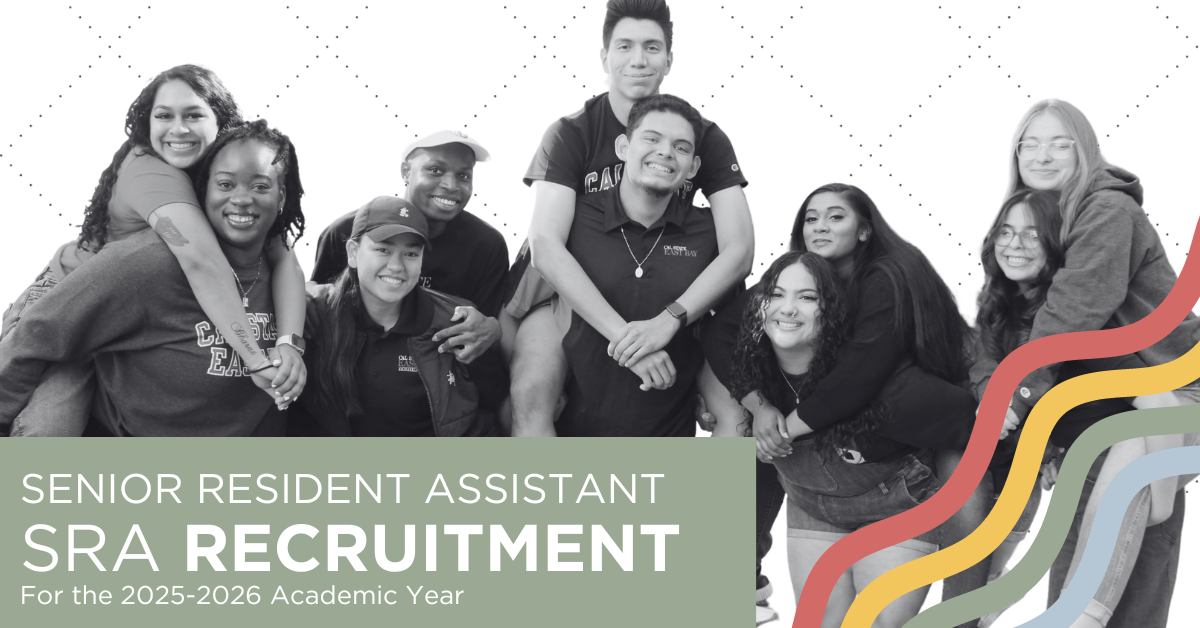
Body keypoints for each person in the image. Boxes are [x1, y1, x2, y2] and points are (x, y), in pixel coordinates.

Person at [701, 183, 988, 626]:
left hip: (944, 409)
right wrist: (757, 407)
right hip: (834, 470)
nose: (819, 226)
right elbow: (722, 334)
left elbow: (862, 373)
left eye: (836, 217)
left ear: (864, 231)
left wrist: (781, 430)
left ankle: (964, 619)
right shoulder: (804, 278)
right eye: (811, 218)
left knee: (967, 517)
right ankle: (739, 576)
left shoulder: (888, 275)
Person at [971, 99, 1200, 628]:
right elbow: (997, 329)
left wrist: (1018, 395)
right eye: (1029, 144)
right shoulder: (1044, 222)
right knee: (1089, 532)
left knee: (1140, 510)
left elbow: (1071, 315)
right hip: (1113, 403)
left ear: (1085, 150)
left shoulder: (1106, 212)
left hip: (1172, 389)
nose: (1042, 155)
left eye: (1059, 143)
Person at [1, 65, 307, 436]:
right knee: (48, 429)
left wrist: (291, 342)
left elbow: (283, 256)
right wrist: (256, 359)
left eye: (193, 115)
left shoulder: (225, 171)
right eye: (164, 116)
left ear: (221, 121)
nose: (178, 129)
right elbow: (200, 261)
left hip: (120, 306)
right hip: (67, 293)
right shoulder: (152, 173)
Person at [506, 0, 752, 437]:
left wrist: (670, 320)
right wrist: (627, 340)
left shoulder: (703, 137)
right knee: (524, 395)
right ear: (604, 57)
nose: (638, 60)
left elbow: (738, 251)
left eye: (652, 47)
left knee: (736, 416)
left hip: (669, 287)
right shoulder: (572, 131)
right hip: (567, 293)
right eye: (624, 46)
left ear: (669, 60)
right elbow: (545, 244)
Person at [552, 94, 719, 437]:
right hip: (571, 440)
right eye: (651, 139)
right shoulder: (572, 220)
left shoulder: (710, 233)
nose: (665, 152)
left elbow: (726, 332)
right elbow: (524, 306)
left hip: (667, 445)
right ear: (623, 147)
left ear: (694, 167)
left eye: (681, 147)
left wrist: (724, 402)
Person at [289, 197, 502, 437]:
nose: (397, 266)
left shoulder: (458, 323)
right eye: (383, 249)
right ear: (353, 252)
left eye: (411, 254)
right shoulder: (313, 314)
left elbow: (494, 406)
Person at [309, 131, 507, 366]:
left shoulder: (486, 245)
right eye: (435, 170)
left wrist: (493, 329)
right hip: (348, 374)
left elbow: (486, 328)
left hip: (440, 382)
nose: (451, 185)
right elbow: (318, 305)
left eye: (463, 175)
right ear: (406, 172)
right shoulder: (348, 231)